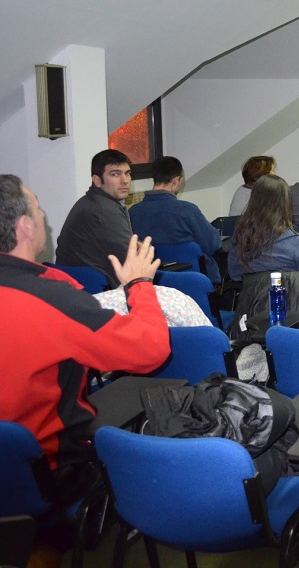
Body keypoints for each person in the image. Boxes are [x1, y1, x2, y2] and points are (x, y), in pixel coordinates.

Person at [0, 174, 169, 513]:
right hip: (43, 474)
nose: (43, 216)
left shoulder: (48, 289)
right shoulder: (52, 301)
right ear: (25, 227)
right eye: (38, 208)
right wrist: (139, 284)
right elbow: (151, 348)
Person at [128, 155, 223, 283]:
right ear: (176, 181)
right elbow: (213, 245)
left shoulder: (133, 212)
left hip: (151, 280)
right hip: (193, 281)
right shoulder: (187, 210)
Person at [55, 149, 134, 286]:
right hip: (100, 291)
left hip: (77, 289)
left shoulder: (89, 201)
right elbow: (131, 261)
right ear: (97, 180)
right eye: (115, 174)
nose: (125, 181)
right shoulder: (104, 210)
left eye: (127, 174)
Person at [227, 174, 299, 281]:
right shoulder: (294, 242)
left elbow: (234, 275)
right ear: (285, 203)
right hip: (287, 296)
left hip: (249, 297)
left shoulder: (240, 235)